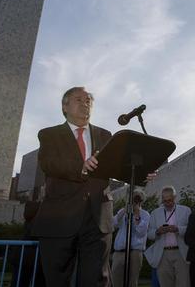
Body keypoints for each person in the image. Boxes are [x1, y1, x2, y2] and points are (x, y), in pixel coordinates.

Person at [32, 87, 113, 287]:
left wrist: (140, 172)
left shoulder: (105, 135)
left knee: (95, 280)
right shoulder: (49, 134)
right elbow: (48, 163)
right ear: (65, 106)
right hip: (59, 218)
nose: (85, 103)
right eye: (78, 99)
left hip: (97, 218)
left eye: (88, 100)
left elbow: (117, 165)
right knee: (57, 280)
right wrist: (80, 167)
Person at [145, 186, 191, 287]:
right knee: (165, 284)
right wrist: (158, 231)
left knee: (184, 283)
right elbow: (149, 234)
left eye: (169, 200)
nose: (167, 203)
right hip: (162, 254)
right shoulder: (155, 213)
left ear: (175, 198)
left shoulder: (186, 210)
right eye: (164, 201)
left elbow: (191, 231)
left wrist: (178, 229)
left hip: (181, 253)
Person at [111, 189, 150, 287]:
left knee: (132, 282)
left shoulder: (145, 214)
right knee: (115, 281)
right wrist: (125, 209)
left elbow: (141, 232)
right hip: (119, 252)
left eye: (137, 199)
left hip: (135, 252)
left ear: (141, 200)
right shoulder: (123, 211)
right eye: (133, 198)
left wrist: (137, 214)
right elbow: (113, 224)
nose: (134, 201)